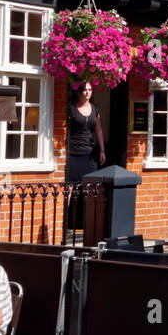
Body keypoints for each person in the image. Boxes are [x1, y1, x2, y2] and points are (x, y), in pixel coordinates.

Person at [66, 81, 106, 227]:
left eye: (90, 89)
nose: (88, 92)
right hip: (73, 153)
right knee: (70, 188)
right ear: (79, 92)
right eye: (85, 90)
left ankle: (89, 224)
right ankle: (65, 223)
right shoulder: (71, 109)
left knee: (89, 188)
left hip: (90, 154)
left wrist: (102, 150)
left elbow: (98, 130)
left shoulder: (95, 109)